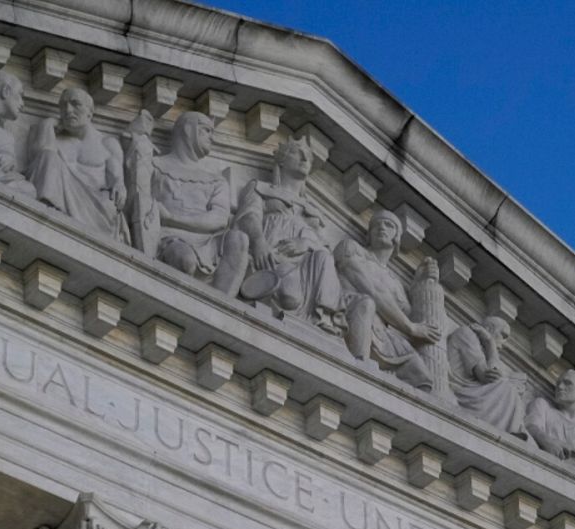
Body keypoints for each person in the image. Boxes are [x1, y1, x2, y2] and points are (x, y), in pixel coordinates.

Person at [231, 137, 340, 324]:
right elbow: (249, 216)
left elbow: (324, 244)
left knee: (324, 258)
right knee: (290, 296)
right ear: (281, 159)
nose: (305, 159)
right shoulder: (260, 188)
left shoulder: (312, 209)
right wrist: (258, 242)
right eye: (297, 153)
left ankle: (324, 320)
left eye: (309, 158)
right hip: (270, 253)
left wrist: (306, 243)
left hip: (303, 262)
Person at [335, 211, 442, 390]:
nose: (382, 227)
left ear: (397, 238)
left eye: (389, 225)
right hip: (348, 314)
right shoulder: (351, 249)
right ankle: (358, 371)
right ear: (368, 235)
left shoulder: (395, 283)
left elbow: (411, 319)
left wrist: (420, 285)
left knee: (422, 379)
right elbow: (372, 289)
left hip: (382, 336)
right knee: (367, 303)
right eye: (376, 224)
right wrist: (410, 327)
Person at [148, 112, 249, 295]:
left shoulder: (216, 181)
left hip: (207, 241)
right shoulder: (155, 165)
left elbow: (219, 219)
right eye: (206, 131)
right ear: (188, 130)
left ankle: (222, 308)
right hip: (169, 237)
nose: (212, 138)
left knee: (239, 239)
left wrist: (172, 218)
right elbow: (140, 200)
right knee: (185, 259)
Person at [25, 87, 126, 240]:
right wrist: (47, 124)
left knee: (110, 203)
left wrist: (119, 184)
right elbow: (39, 161)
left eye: (75, 104)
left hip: (95, 205)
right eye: (63, 106)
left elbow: (117, 180)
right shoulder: (55, 140)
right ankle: (48, 214)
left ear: (90, 112)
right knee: (48, 156)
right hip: (57, 202)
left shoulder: (107, 143)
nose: (68, 110)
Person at [446, 315, 528, 436]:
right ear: (489, 329)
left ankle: (510, 431)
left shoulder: (482, 349)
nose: (504, 343)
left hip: (476, 392)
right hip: (462, 392)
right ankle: (507, 431)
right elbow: (487, 376)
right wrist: (490, 343)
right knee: (508, 389)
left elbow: (494, 375)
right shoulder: (467, 334)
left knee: (510, 390)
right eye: (503, 335)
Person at [525, 370, 575, 478]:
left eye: (568, 383)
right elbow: (530, 426)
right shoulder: (543, 406)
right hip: (543, 466)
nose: (560, 387)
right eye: (558, 384)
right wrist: (546, 440)